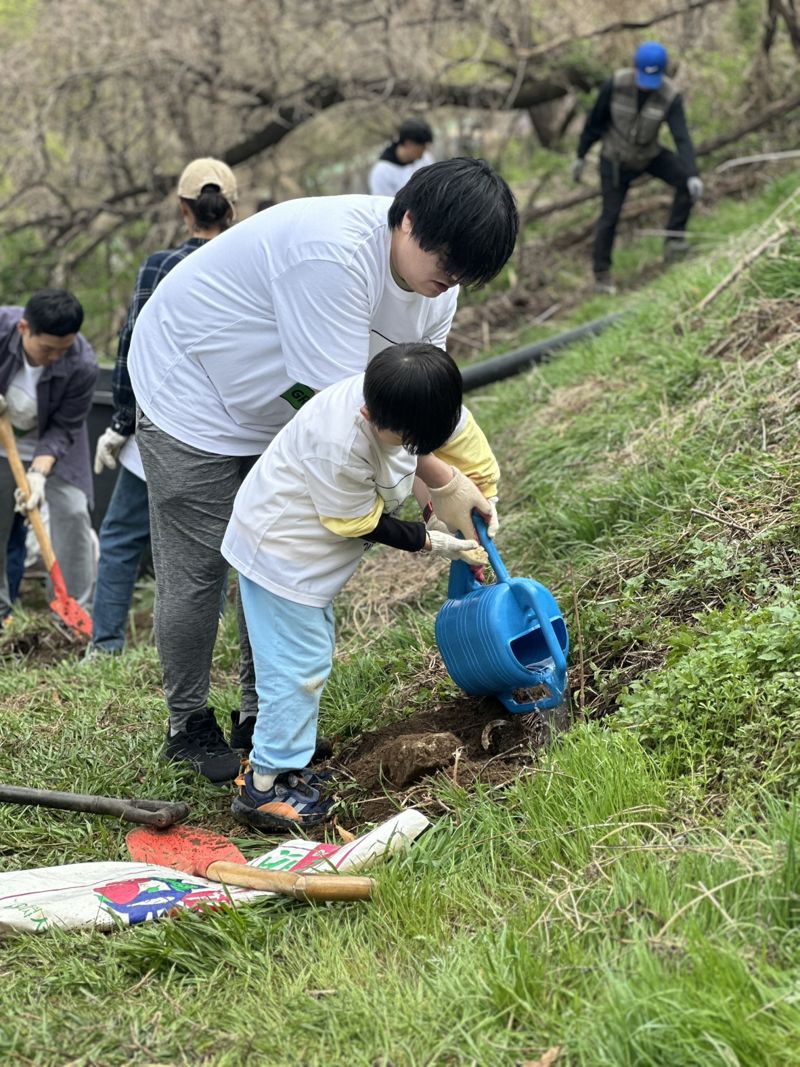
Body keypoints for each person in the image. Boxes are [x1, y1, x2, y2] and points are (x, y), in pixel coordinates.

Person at [128, 157, 518, 784]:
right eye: (446, 266)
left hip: (285, 409)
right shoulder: (330, 257)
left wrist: (449, 477)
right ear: (408, 220)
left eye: (466, 277)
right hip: (193, 391)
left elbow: (409, 399)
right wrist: (438, 480)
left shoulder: (434, 290)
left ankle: (260, 717)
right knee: (199, 571)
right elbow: (343, 414)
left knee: (278, 557)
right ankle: (188, 724)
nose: (450, 284)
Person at [224, 343, 488, 829]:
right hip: (281, 555)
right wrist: (434, 542)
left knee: (307, 658)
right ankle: (264, 788)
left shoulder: (398, 406)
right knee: (298, 667)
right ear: (370, 411)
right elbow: (359, 522)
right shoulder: (339, 441)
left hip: (308, 560)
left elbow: (410, 459)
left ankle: (288, 762)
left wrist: (446, 501)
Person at [90, 158, 238, 656]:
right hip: (229, 429)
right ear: (232, 210)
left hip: (159, 420)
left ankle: (104, 646)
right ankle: (209, 645)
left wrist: (118, 422)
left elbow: (134, 345)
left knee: (120, 537)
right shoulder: (245, 262)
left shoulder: (160, 265)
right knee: (215, 546)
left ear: (183, 208)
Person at [571, 40, 703, 294]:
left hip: (648, 155)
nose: (646, 85)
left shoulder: (669, 95)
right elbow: (594, 122)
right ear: (635, 69)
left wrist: (693, 174)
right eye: (643, 78)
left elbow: (682, 136)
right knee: (610, 215)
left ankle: (674, 241)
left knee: (686, 181)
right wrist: (580, 155)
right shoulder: (617, 84)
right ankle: (602, 275)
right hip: (615, 160)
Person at [0, 290, 98, 625]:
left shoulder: (82, 363)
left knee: (72, 512)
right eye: (47, 349)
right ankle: (1, 613)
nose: (56, 356)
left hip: (56, 449)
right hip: (4, 440)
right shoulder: (1, 328)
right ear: (24, 328)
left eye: (64, 348)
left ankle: (72, 617)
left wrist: (38, 474)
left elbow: (64, 428)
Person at [368, 118, 434, 197]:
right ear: (408, 143)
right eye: (422, 146)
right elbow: (384, 205)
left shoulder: (426, 159)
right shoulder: (381, 172)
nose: (424, 150)